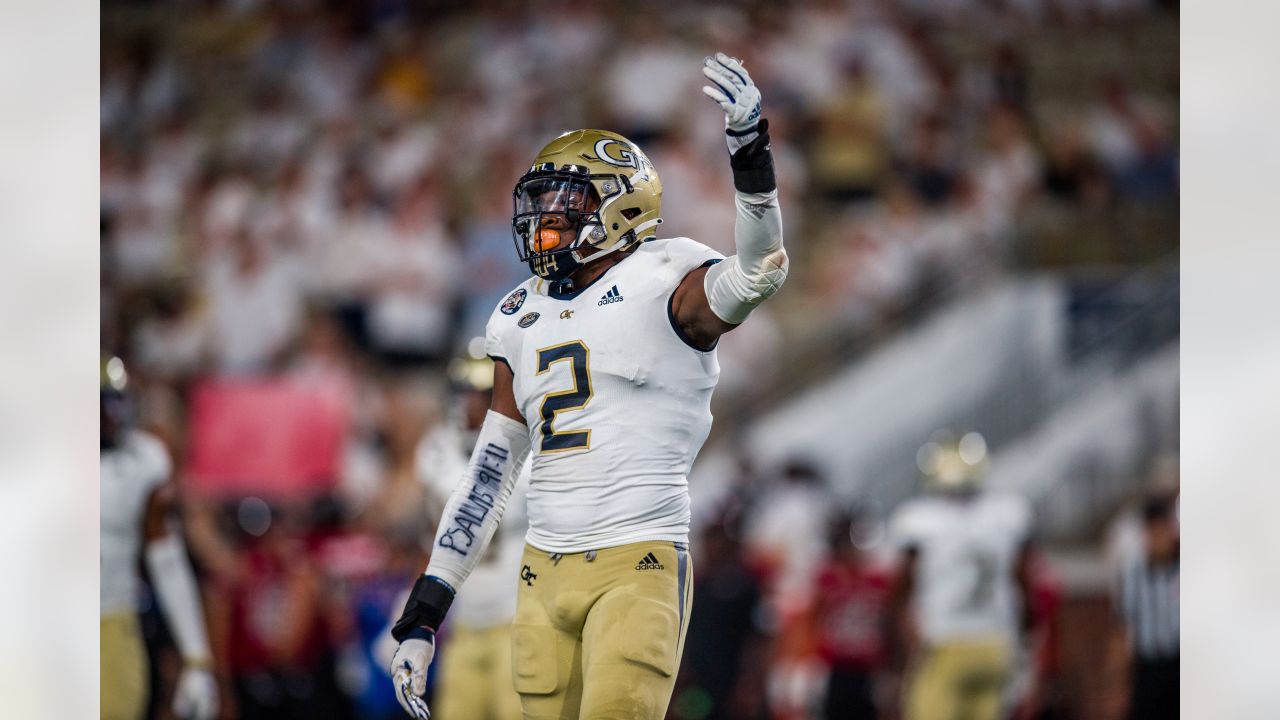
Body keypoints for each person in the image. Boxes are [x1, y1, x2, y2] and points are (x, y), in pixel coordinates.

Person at [386, 52, 789, 720]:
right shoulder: (518, 313)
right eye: (543, 200)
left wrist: (750, 152)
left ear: (621, 203)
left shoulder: (667, 275)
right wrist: (424, 614)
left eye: (567, 201)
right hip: (541, 573)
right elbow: (488, 476)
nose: (545, 216)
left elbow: (759, 272)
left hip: (638, 560)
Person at [100, 355, 218, 720]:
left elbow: (167, 561)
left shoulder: (143, 461)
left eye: (114, 401)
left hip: (111, 622)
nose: (109, 414)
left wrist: (197, 658)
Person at [886, 432, 1034, 720]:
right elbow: (1024, 583)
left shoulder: (922, 520)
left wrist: (906, 641)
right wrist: (1024, 640)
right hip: (996, 643)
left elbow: (899, 590)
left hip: (945, 641)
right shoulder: (1004, 515)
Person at [1108, 493, 1178, 720]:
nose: (1157, 539)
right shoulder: (1133, 574)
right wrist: (1119, 685)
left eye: (1161, 531)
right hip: (1147, 667)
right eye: (1151, 532)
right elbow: (1122, 628)